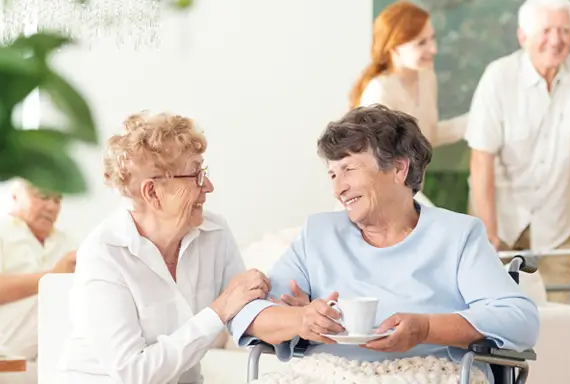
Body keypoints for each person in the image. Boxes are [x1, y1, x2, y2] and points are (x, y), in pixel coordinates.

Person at [229, 105, 539, 382]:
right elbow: (249, 315)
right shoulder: (318, 234)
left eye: (349, 169)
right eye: (333, 174)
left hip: (426, 375)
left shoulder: (457, 235)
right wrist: (300, 319)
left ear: (398, 169)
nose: (339, 188)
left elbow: (519, 319)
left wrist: (427, 330)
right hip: (329, 375)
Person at [57, 112, 270, 383]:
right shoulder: (104, 253)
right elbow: (134, 373)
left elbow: (244, 310)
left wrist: (286, 308)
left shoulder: (214, 233)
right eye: (196, 175)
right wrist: (218, 310)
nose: (209, 187)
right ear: (153, 192)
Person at [464, 0, 570, 304]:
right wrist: (487, 230)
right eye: (547, 30)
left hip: (556, 224)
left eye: (564, 31)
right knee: (496, 313)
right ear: (523, 35)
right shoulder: (498, 77)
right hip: (500, 217)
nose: (556, 40)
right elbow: (481, 158)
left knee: (557, 315)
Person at [349, 0, 467, 148]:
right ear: (394, 48)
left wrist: (474, 119)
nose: (434, 49)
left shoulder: (426, 76)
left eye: (432, 38)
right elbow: (379, 161)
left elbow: (427, 136)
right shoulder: (380, 92)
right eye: (421, 43)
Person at [0, 179, 76, 384]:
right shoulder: (3, 232)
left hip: (54, 366)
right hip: (6, 365)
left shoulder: (69, 243)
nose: (51, 207)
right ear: (15, 195)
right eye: (42, 196)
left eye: (57, 200)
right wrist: (52, 276)